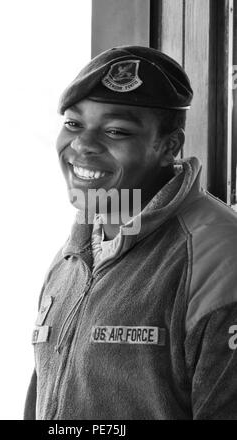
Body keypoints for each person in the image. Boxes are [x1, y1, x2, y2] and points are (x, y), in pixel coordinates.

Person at [24, 45, 237, 420]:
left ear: (169, 146)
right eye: (74, 124)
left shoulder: (218, 254)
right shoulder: (72, 256)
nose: (83, 145)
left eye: (116, 131)